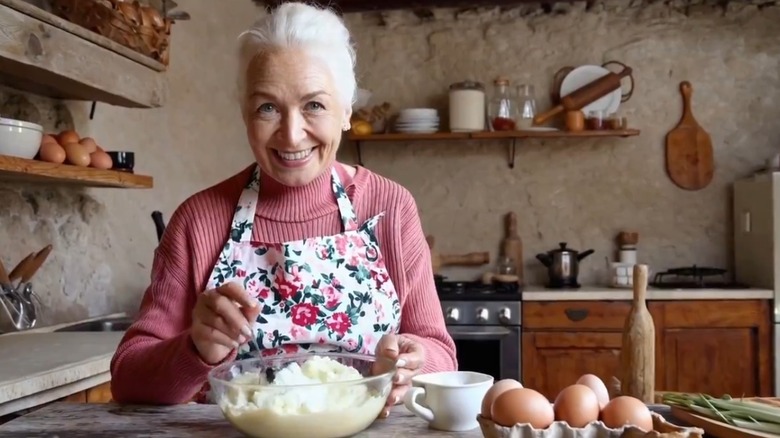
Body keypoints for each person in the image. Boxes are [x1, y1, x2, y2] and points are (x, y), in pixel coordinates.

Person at [109, 2, 457, 416]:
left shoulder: (389, 207)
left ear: (346, 111)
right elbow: (127, 378)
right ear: (244, 114)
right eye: (267, 108)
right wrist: (195, 349)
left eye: (314, 105)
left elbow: (440, 355)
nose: (292, 135)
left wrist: (412, 362)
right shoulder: (198, 221)